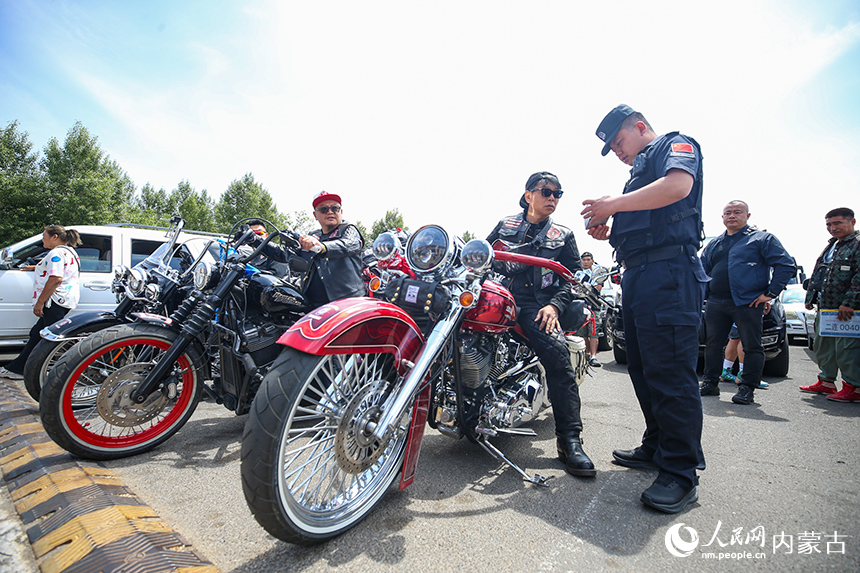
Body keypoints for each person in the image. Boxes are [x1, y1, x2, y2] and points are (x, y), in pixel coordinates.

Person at [582, 105, 708, 513]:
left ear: (639, 127)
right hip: (639, 275)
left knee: (670, 373)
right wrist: (609, 231)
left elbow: (677, 187)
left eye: (619, 142)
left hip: (669, 273)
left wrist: (614, 204)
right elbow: (647, 221)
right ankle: (656, 446)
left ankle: (681, 473)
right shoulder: (637, 174)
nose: (618, 152)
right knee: (643, 369)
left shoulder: (675, 145)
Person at [486, 171, 595, 478]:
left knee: (559, 360)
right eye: (546, 191)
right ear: (528, 195)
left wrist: (554, 306)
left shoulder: (562, 235)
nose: (552, 198)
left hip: (537, 305)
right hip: (499, 297)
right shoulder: (505, 225)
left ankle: (569, 440)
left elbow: (573, 277)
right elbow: (480, 255)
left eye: (557, 194)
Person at [699, 201, 794, 404]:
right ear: (722, 217)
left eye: (737, 212)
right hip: (716, 301)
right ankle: (710, 383)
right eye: (727, 213)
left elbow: (785, 265)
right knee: (713, 345)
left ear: (748, 216)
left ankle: (747, 388)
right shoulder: (714, 244)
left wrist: (770, 293)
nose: (732, 216)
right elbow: (702, 270)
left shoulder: (762, 239)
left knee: (752, 346)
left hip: (747, 302)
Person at [258, 191, 366, 308]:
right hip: (313, 307)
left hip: (347, 305)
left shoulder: (348, 230)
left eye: (335, 208)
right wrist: (256, 240)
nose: (330, 212)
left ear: (341, 212)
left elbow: (351, 244)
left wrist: (323, 247)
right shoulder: (313, 236)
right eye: (324, 209)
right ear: (315, 215)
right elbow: (286, 254)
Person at [0, 225, 82, 380]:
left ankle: (70, 369)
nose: (42, 240)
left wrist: (40, 302)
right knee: (38, 334)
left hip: (55, 300)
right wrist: (35, 267)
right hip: (64, 299)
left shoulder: (56, 253)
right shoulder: (69, 251)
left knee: (52, 339)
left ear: (54, 237)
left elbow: (56, 278)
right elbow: (57, 269)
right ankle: (19, 368)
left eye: (44, 236)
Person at [800, 207, 860, 402]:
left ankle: (854, 387)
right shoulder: (832, 245)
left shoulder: (857, 244)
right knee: (823, 346)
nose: (833, 228)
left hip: (848, 310)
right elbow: (820, 273)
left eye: (837, 223)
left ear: (852, 222)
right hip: (826, 308)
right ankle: (826, 381)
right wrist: (810, 298)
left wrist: (849, 302)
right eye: (829, 224)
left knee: (847, 349)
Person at [580, 252, 604, 367]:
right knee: (582, 333)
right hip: (581, 306)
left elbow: (597, 289)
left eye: (588, 259)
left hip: (594, 306)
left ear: (592, 261)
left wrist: (585, 288)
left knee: (593, 332)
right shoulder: (578, 273)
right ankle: (587, 355)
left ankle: (593, 357)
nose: (586, 262)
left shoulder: (597, 273)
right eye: (584, 260)